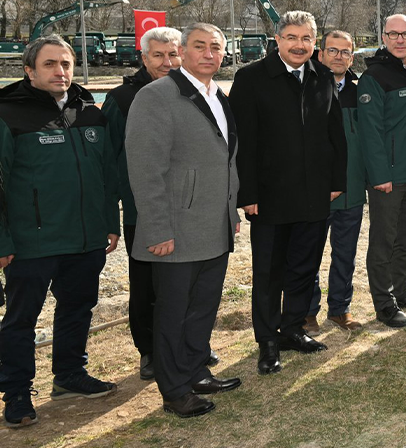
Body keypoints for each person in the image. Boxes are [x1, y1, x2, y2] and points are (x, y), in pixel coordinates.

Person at [0, 36, 119, 429]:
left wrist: (110, 223)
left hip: (85, 239)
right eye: (50, 64)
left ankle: (69, 375)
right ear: (29, 70)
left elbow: (107, 175)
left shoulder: (89, 111)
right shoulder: (8, 113)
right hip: (31, 243)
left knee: (77, 308)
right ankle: (16, 392)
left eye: (66, 63)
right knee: (21, 319)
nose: (60, 71)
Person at [127, 23, 242, 418]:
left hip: (214, 225)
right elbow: (146, 170)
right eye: (199, 46)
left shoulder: (218, 95)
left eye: (216, 47)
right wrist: (157, 228)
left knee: (202, 308)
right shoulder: (156, 96)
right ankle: (174, 389)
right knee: (173, 313)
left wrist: (231, 211)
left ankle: (195, 371)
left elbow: (226, 160)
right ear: (182, 52)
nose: (209, 54)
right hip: (176, 228)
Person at [230, 11, 346, 375]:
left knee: (304, 267)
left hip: (314, 194)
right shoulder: (251, 78)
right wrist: (247, 193)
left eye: (306, 38)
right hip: (269, 196)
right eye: (292, 37)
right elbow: (243, 141)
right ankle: (268, 340)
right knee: (269, 273)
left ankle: (293, 328)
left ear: (314, 43)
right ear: (277, 40)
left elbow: (335, 134)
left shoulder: (322, 76)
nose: (299, 45)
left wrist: (336, 181)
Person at [102, 26, 186, 379]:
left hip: (188, 207)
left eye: (173, 54)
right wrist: (112, 212)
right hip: (144, 209)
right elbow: (107, 160)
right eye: (158, 55)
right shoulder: (122, 99)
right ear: (144, 57)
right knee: (147, 284)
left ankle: (187, 343)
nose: (167, 62)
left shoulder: (193, 91)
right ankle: (149, 350)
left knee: (186, 281)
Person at [359, 14, 406, 328]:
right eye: (393, 34)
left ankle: (402, 291)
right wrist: (380, 175)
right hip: (388, 177)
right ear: (384, 38)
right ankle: (384, 304)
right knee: (383, 242)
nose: (400, 40)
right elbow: (370, 131)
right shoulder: (374, 77)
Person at [305, 30, 367, 333]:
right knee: (309, 254)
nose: (338, 57)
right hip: (316, 190)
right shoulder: (306, 89)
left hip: (352, 189)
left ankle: (340, 309)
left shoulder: (360, 93)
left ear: (352, 58)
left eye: (345, 52)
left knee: (345, 254)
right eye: (333, 50)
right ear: (320, 54)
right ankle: (306, 311)